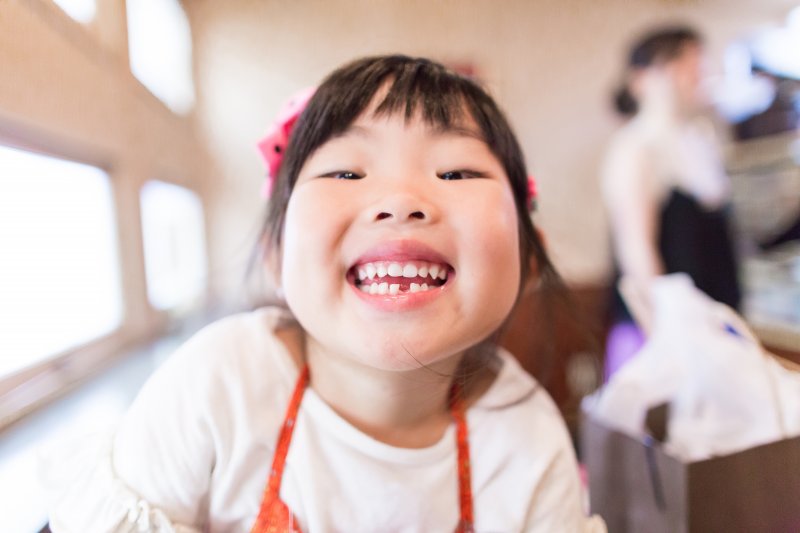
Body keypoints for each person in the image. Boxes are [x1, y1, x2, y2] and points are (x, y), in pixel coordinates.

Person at [41, 55, 606, 532]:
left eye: (456, 173)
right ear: (275, 255)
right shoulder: (219, 386)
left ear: (530, 257)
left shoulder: (527, 438)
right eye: (345, 173)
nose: (400, 201)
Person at [602, 27, 742, 380]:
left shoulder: (700, 142)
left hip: (715, 320)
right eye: (682, 64)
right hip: (664, 330)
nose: (695, 75)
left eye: (697, 64)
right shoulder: (635, 147)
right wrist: (669, 338)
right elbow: (637, 252)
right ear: (645, 78)